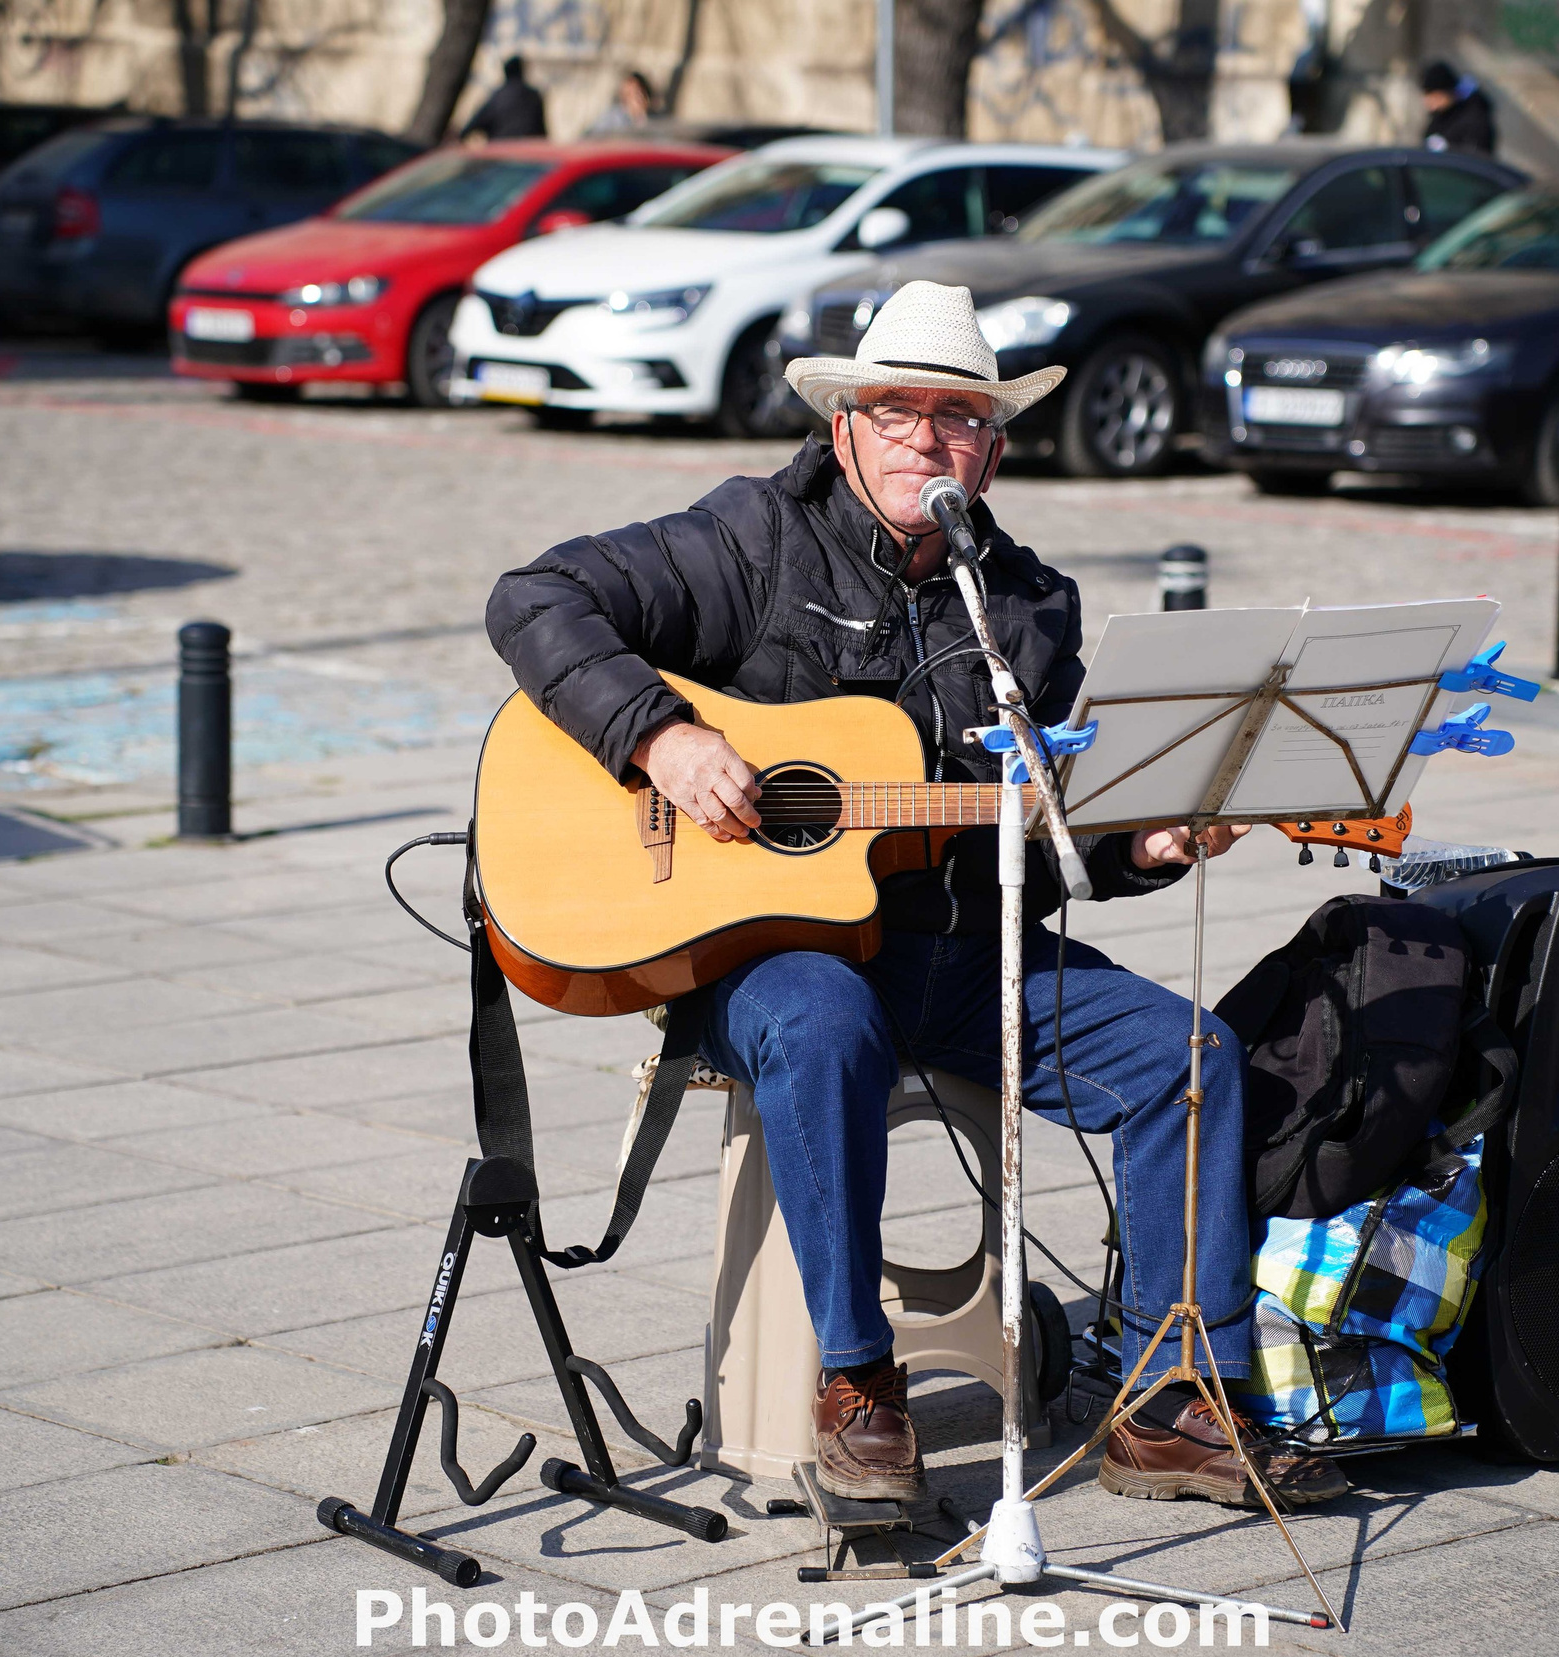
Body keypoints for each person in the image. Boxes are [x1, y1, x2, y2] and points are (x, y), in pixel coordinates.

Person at [484, 282, 1350, 1513]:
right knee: (825, 1021)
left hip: (967, 953)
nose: (925, 442)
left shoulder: (1029, 608)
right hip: (766, 953)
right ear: (843, 424)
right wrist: (662, 739)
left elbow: (1055, 836)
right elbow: (533, 599)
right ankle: (856, 1386)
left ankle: (1166, 1399)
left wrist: (1140, 847)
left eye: (958, 420)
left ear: (994, 448)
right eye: (897, 413)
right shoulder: (749, 542)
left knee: (1190, 1058)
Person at [460, 55, 548, 142]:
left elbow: (475, 123)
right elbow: (542, 131)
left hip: (502, 150)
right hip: (529, 150)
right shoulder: (534, 96)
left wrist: (461, 136)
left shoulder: (498, 97)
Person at [1419, 59, 1496, 156]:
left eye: (1432, 96)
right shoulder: (1440, 116)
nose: (1428, 102)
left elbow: (1474, 159)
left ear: (1444, 93)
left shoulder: (1475, 120)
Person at [584, 69, 656, 136]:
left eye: (639, 94)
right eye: (630, 94)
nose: (638, 99)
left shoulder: (654, 118)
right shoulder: (612, 119)